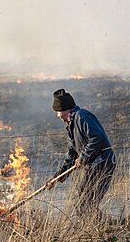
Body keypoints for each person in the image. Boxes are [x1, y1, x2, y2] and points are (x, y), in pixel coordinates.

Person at [46, 88, 116, 216]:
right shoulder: (71, 125)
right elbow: (72, 154)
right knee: (83, 202)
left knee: (85, 203)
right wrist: (56, 177)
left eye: (58, 112)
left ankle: (105, 229)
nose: (57, 116)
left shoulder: (82, 116)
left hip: (103, 163)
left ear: (65, 110)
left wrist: (83, 157)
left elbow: (97, 137)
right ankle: (103, 227)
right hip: (93, 166)